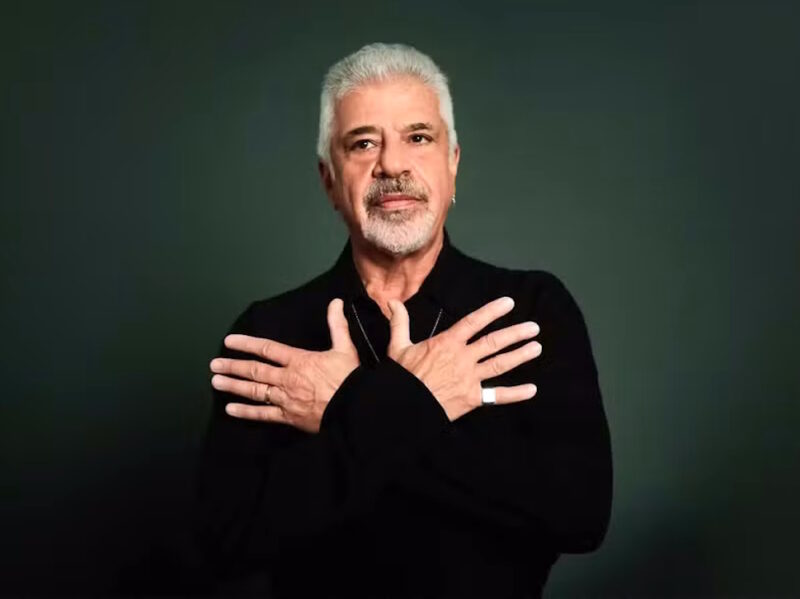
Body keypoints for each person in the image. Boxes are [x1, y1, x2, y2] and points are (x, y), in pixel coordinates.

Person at [196, 42, 612, 598]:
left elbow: (579, 515)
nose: (391, 164)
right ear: (328, 179)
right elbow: (225, 541)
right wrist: (417, 404)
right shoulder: (269, 334)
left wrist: (345, 407)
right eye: (363, 143)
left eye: (418, 137)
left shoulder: (527, 311)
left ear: (452, 163)